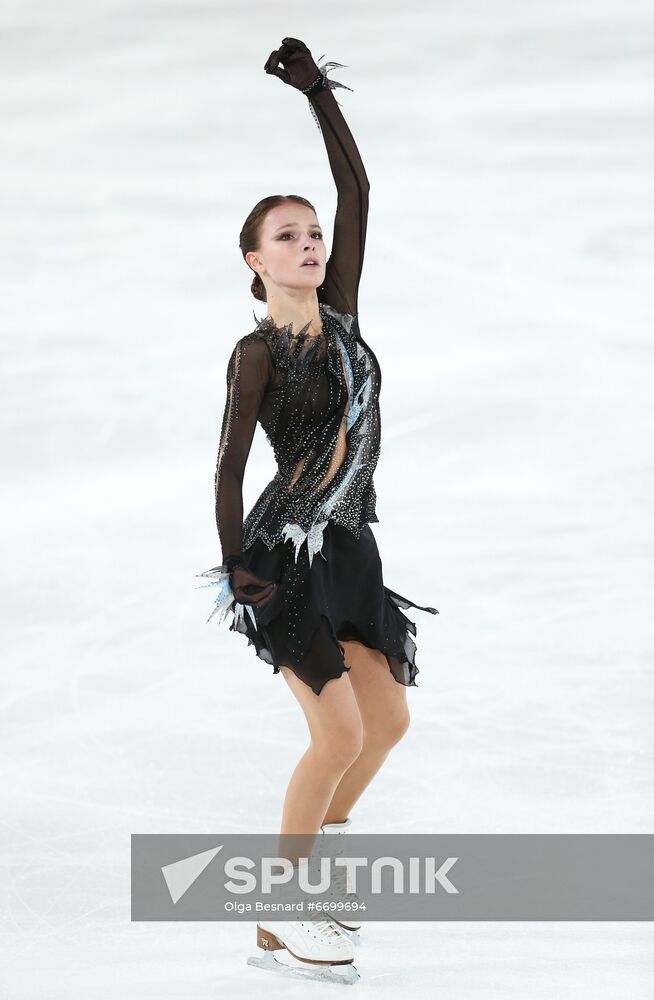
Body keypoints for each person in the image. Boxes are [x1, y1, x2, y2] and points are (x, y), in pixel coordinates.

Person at [195, 38, 438, 983]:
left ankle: (306, 885)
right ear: (254, 261)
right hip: (283, 553)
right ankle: (284, 905)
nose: (309, 241)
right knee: (335, 733)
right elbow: (223, 470)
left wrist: (317, 98)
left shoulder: (341, 311)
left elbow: (359, 190)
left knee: (387, 726)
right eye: (286, 235)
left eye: (311, 231)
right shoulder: (254, 354)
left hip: (351, 548)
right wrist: (236, 570)